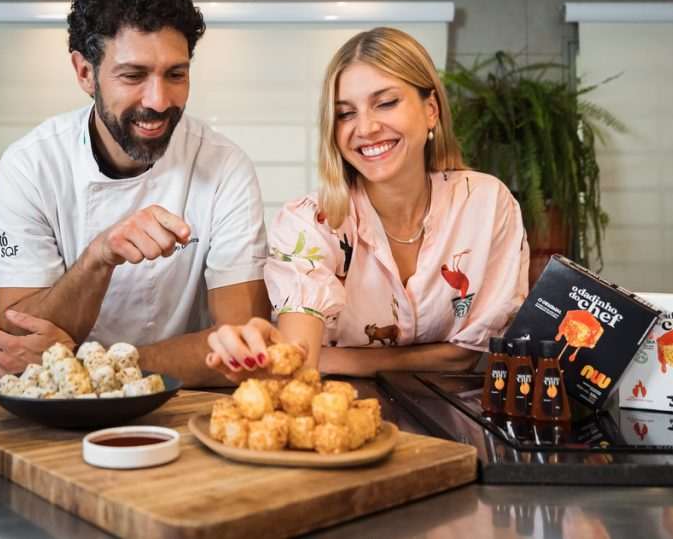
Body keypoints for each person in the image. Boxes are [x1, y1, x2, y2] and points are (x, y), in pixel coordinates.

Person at [0, 0, 269, 386]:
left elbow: (245, 349)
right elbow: (15, 343)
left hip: (180, 413)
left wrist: (89, 364)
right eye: (133, 75)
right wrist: (101, 256)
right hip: (57, 417)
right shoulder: (31, 165)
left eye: (176, 74)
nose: (158, 101)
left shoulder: (225, 167)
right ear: (85, 73)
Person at [206, 27, 529, 379]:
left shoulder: (486, 204)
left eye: (386, 103)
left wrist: (338, 360)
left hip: (457, 428)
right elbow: (298, 360)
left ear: (431, 109)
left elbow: (470, 355)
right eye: (345, 113)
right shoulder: (309, 223)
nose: (366, 127)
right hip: (340, 419)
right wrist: (297, 358)